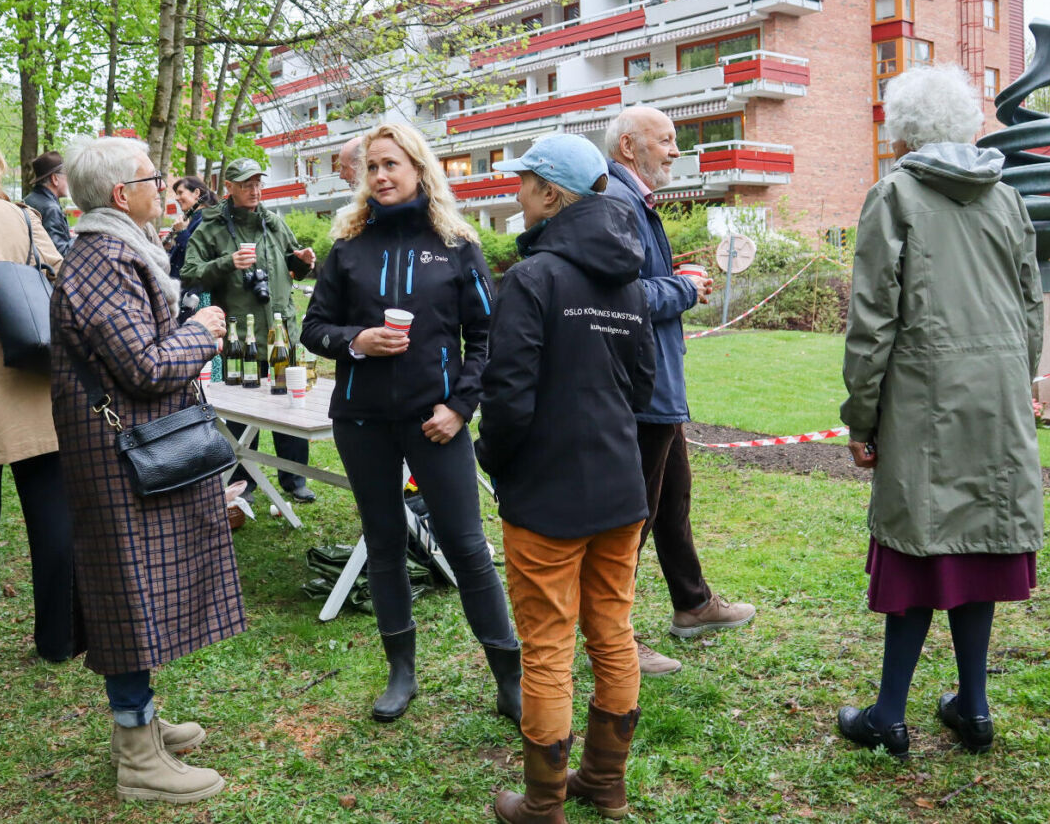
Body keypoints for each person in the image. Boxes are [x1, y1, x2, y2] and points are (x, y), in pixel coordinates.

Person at [837, 64, 1044, 758]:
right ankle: (974, 708)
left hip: (924, 401)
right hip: (996, 398)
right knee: (976, 541)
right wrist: (1015, 388)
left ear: (901, 131)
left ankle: (889, 714)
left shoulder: (892, 194)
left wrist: (862, 419)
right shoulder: (1008, 200)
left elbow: (872, 323)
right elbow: (1029, 309)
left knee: (919, 549)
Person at [300, 122, 521, 725]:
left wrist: (459, 408)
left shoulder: (455, 244)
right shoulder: (347, 246)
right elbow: (313, 328)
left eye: (391, 165)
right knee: (385, 542)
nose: (380, 177)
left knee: (468, 548)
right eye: (371, 167)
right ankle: (401, 670)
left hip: (435, 422)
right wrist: (357, 341)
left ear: (419, 169)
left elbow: (488, 337)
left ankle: (509, 676)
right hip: (362, 421)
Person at [52, 135, 246, 802]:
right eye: (151, 176)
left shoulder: (115, 249)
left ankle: (143, 723)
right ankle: (137, 756)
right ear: (119, 194)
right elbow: (143, 366)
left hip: (128, 452)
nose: (162, 185)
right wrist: (204, 328)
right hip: (120, 459)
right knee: (127, 595)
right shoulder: (105, 257)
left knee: (135, 593)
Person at [476, 135, 656, 824]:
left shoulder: (532, 278)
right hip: (619, 487)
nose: (516, 196)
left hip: (548, 497)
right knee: (613, 632)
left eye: (523, 184)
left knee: (548, 646)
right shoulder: (627, 277)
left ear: (551, 194)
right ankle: (605, 785)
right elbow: (642, 383)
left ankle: (544, 804)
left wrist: (496, 459)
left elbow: (508, 395)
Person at [604, 106, 755, 676]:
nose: (674, 152)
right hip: (641, 389)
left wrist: (676, 280)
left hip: (658, 384)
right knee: (631, 519)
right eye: (665, 141)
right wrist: (685, 289)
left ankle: (692, 605)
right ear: (628, 147)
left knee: (672, 501)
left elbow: (644, 285)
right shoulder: (619, 204)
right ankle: (616, 640)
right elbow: (625, 301)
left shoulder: (634, 201)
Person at [0, 127, 73, 683]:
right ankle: (60, 637)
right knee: (51, 512)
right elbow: (61, 275)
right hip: (27, 370)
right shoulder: (25, 217)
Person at [180, 158, 318, 503]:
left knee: (290, 403)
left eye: (258, 183)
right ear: (228, 187)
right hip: (240, 337)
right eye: (245, 184)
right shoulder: (210, 226)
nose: (254, 190)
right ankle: (245, 481)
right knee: (241, 412)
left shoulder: (273, 223)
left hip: (281, 332)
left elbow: (292, 269)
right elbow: (190, 273)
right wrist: (229, 263)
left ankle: (295, 478)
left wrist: (301, 260)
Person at [165, 175, 217, 279]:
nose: (176, 198)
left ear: (196, 193)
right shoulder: (193, 219)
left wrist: (182, 232)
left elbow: (199, 257)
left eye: (180, 192)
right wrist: (170, 247)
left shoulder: (208, 219)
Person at [24, 150, 73, 255]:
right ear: (55, 178)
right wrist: (79, 241)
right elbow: (60, 252)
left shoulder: (28, 199)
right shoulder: (51, 208)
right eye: (67, 175)